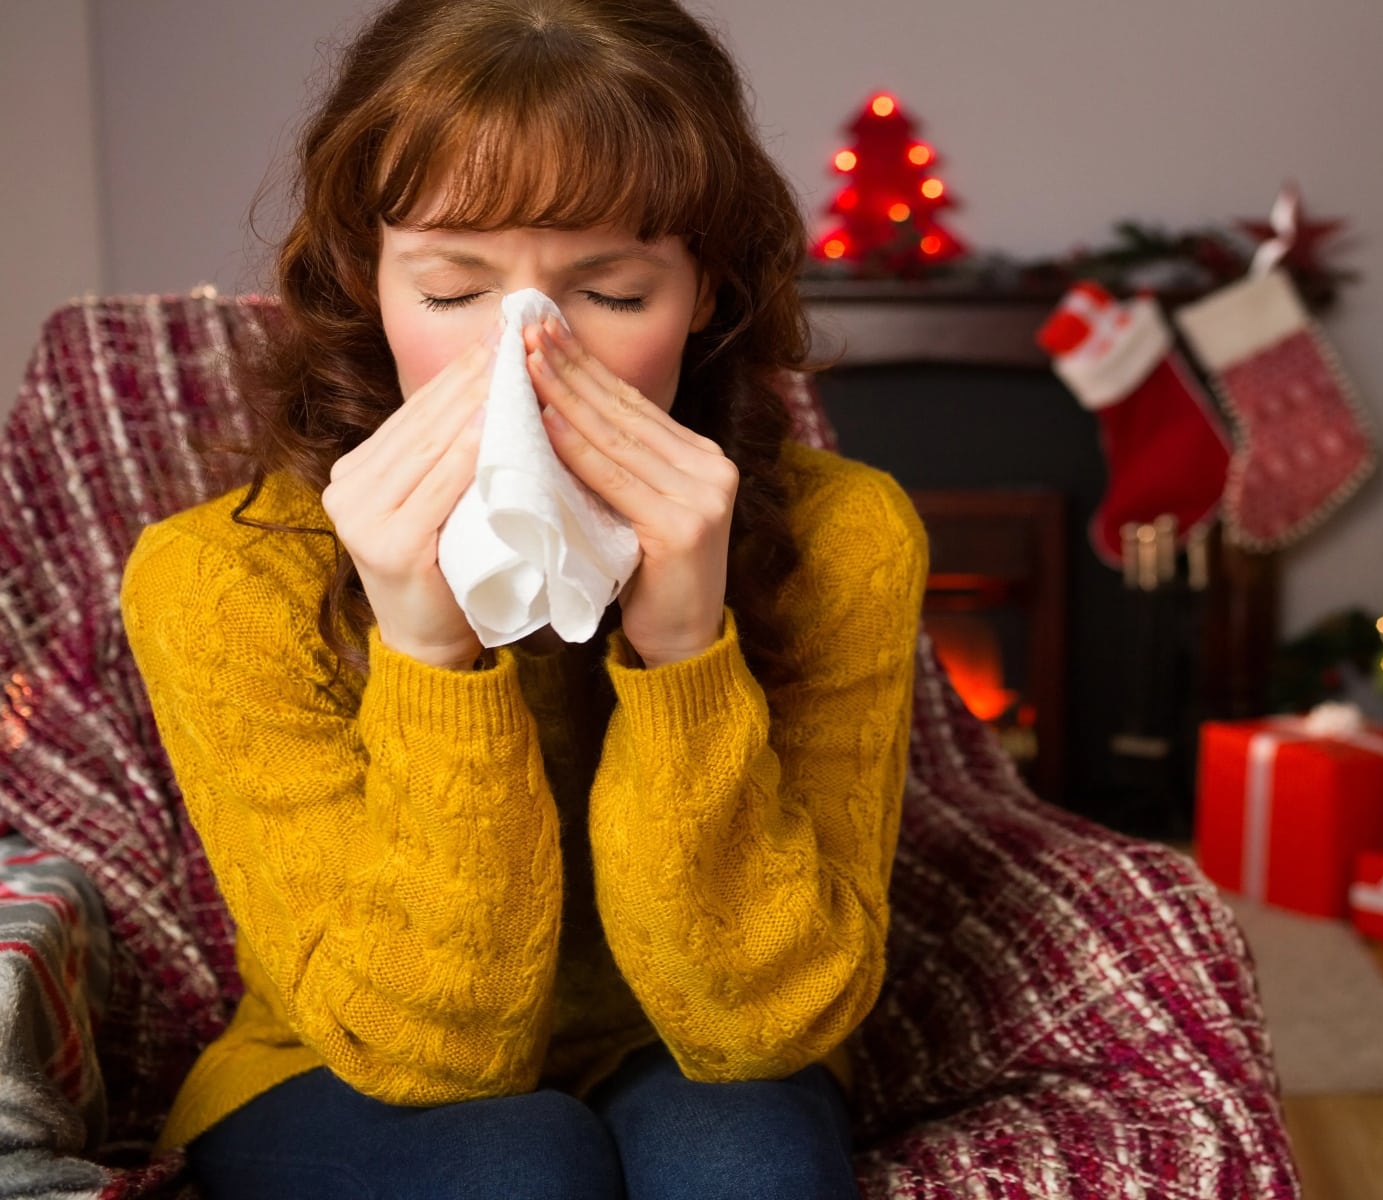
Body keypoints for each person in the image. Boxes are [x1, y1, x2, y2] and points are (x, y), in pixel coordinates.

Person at [117, 1, 928, 1196]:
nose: (527, 359)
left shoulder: (842, 536)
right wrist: (428, 653)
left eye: (609, 292)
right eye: (453, 293)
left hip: (690, 1038)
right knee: (515, 1164)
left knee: (746, 1162)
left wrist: (682, 647)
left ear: (703, 290)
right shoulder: (220, 575)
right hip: (341, 1062)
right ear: (367, 282)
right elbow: (430, 1052)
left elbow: (766, 1024)